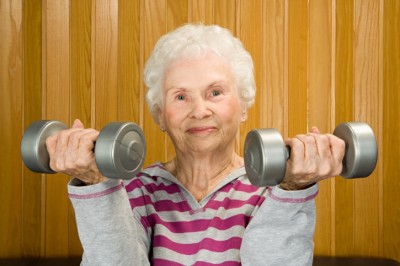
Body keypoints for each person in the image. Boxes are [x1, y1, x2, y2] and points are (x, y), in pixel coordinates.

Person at [46, 24, 345, 265]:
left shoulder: (272, 191)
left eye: (215, 92)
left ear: (243, 106)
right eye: (180, 96)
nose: (199, 110)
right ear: (160, 115)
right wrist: (96, 184)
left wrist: (293, 191)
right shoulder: (133, 190)